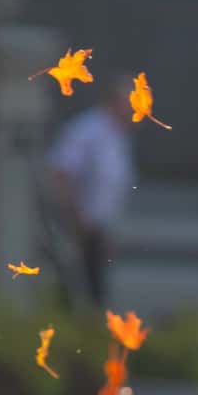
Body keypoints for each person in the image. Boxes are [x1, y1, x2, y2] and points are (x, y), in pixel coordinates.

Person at [44, 85, 133, 313]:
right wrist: (74, 216)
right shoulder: (87, 130)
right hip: (80, 224)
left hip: (100, 226)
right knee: (76, 288)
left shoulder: (116, 134)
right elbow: (62, 172)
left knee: (97, 289)